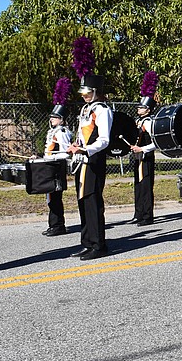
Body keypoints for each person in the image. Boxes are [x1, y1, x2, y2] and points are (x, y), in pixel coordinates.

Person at [67, 74, 113, 260]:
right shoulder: (86, 109)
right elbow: (81, 135)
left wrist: (85, 151)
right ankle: (87, 243)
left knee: (92, 203)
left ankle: (98, 244)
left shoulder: (102, 110)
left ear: (96, 92)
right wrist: (75, 147)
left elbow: (104, 140)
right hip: (82, 162)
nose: (84, 95)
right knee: (83, 203)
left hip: (93, 161)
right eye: (83, 92)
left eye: (88, 92)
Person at [40, 101, 72, 236]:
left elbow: (66, 152)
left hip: (57, 167)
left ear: (62, 119)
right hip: (50, 166)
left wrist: (52, 157)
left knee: (54, 196)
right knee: (50, 196)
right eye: (51, 116)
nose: (51, 119)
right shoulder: (53, 131)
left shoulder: (62, 132)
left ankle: (58, 225)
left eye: (55, 117)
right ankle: (53, 224)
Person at [130, 93, 157, 226]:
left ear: (148, 109)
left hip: (146, 158)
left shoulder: (149, 122)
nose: (138, 109)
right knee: (138, 186)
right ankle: (138, 213)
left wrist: (143, 149)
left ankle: (147, 216)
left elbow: (156, 143)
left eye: (142, 107)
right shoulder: (138, 121)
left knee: (146, 186)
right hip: (137, 157)